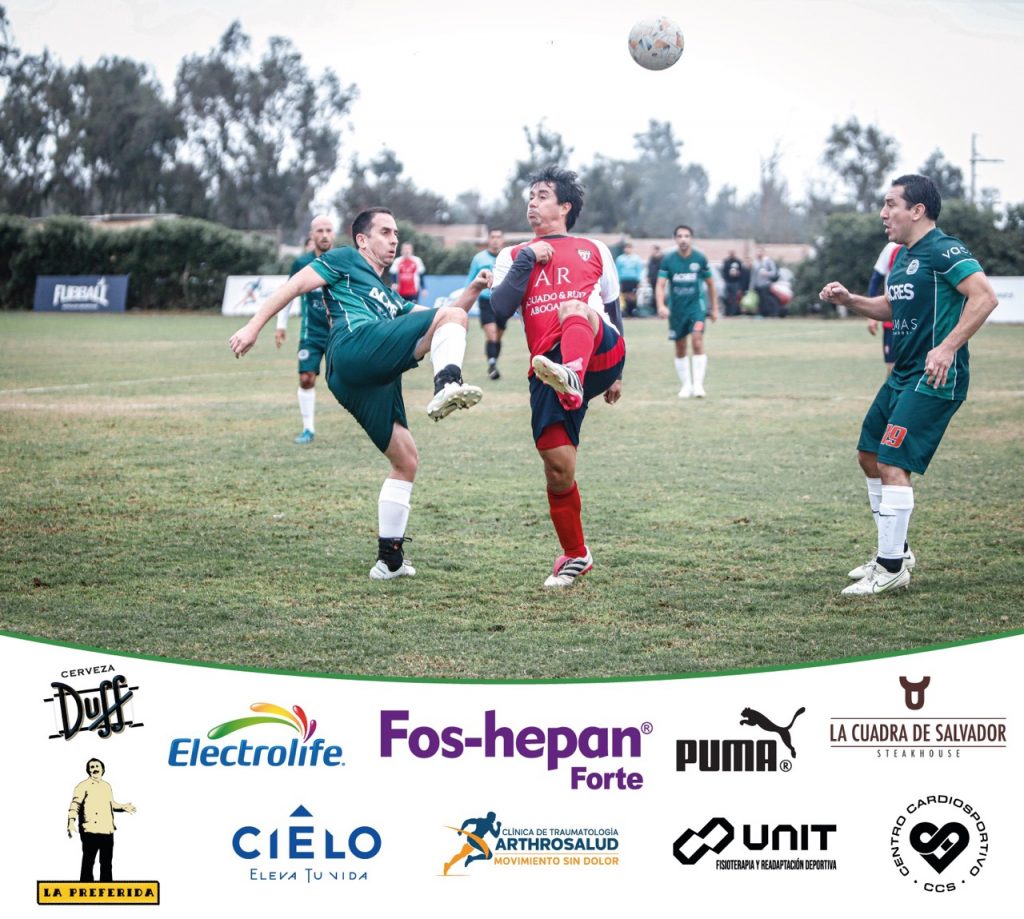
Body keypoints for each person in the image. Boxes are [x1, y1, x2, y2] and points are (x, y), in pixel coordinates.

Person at [230, 207, 491, 580]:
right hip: (353, 348)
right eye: (385, 232)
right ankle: (447, 383)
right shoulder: (344, 259)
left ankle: (389, 561)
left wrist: (475, 289)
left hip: (361, 378)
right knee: (451, 319)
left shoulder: (390, 297)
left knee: (406, 460)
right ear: (362, 240)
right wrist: (254, 326)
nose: (394, 239)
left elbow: (449, 316)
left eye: (396, 233)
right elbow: (293, 287)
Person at [820, 174, 998, 596]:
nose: (883, 213)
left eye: (891, 204)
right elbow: (890, 305)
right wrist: (850, 300)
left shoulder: (945, 248)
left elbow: (985, 297)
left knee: (892, 462)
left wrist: (948, 347)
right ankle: (895, 550)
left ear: (917, 210)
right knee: (869, 454)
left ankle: (890, 568)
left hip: (934, 378)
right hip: (902, 374)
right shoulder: (901, 256)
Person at [490, 166, 626, 588]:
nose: (532, 202)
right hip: (547, 369)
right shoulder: (512, 255)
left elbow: (612, 307)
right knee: (557, 467)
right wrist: (528, 259)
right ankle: (576, 554)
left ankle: (574, 374)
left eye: (543, 195)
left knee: (573, 308)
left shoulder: (594, 249)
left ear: (565, 206)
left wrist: (619, 374)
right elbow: (500, 308)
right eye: (530, 196)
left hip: (597, 350)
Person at [274, 215, 335, 444]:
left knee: (349, 381)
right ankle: (308, 429)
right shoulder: (301, 264)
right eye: (320, 231)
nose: (324, 235)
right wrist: (281, 326)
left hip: (339, 332)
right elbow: (288, 295)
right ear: (312, 235)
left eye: (328, 230)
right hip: (311, 333)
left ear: (333, 233)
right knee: (306, 378)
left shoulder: (343, 261)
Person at [656, 225, 719, 398]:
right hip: (676, 310)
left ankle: (698, 386)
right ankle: (686, 385)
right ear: (675, 239)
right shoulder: (668, 260)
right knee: (680, 347)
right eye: (680, 236)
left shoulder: (700, 258)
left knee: (697, 340)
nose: (683, 239)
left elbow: (711, 284)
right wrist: (661, 305)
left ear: (691, 238)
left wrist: (714, 308)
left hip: (696, 308)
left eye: (686, 236)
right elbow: (660, 285)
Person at [67, 758, 136, 882]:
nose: (95, 769)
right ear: (88, 770)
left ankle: (107, 889)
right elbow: (75, 804)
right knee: (88, 862)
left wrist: (123, 807)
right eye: (92, 767)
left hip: (107, 830)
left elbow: (112, 804)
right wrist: (71, 821)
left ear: (103, 769)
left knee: (106, 863)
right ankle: (85, 889)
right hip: (90, 830)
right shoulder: (82, 786)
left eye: (97, 766)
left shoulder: (106, 786)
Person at [468, 228, 506, 380]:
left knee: (498, 336)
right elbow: (470, 280)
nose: (495, 240)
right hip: (485, 301)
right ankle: (492, 365)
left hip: (502, 301)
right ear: (488, 239)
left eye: (498, 237)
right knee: (492, 334)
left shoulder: (507, 257)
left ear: (502, 240)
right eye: (493, 237)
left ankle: (493, 362)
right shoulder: (479, 258)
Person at [866, 240, 902, 375]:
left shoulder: (928, 246)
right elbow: (875, 281)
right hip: (892, 317)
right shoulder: (892, 248)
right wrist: (871, 315)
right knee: (892, 366)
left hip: (919, 318)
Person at [444, 811, 502, 875]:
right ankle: (471, 858)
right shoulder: (489, 825)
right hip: (476, 840)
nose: (494, 820)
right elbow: (496, 835)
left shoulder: (480, 820)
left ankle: (448, 865)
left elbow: (467, 821)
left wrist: (461, 830)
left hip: (471, 838)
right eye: (494, 818)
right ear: (490, 817)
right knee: (489, 855)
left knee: (462, 854)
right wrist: (499, 826)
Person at [614, 241, 645, 317]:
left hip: (633, 280)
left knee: (633, 296)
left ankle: (633, 311)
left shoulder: (636, 259)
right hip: (624, 280)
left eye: (629, 248)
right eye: (626, 248)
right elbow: (617, 270)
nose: (628, 249)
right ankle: (626, 312)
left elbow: (639, 270)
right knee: (625, 296)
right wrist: (617, 281)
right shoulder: (620, 259)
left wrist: (639, 281)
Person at [750, 247, 780, 317]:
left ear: (763, 253)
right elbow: (753, 276)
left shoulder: (768, 261)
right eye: (757, 252)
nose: (758, 253)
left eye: (760, 252)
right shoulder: (755, 263)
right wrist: (751, 286)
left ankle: (769, 314)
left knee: (766, 300)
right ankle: (761, 314)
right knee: (759, 301)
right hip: (757, 285)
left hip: (766, 284)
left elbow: (774, 273)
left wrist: (767, 273)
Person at [722, 250, 745, 316]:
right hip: (728, 282)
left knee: (734, 298)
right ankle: (727, 312)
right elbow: (724, 272)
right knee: (727, 297)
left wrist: (737, 274)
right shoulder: (726, 261)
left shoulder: (738, 262)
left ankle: (733, 312)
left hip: (735, 283)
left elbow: (742, 273)